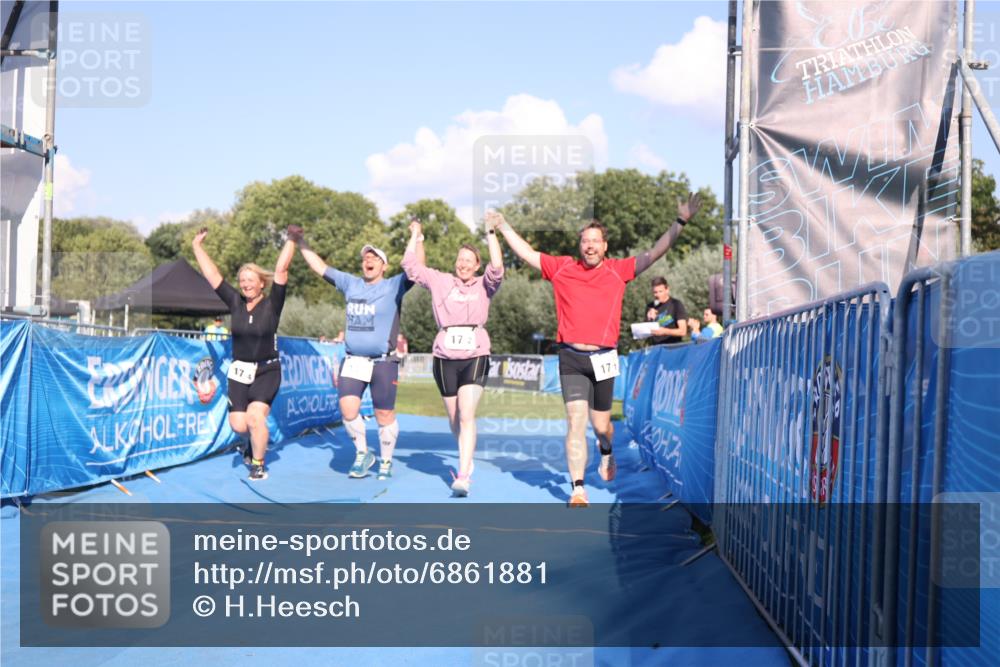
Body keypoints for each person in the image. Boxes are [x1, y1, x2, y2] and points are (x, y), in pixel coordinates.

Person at [493, 195, 701, 507]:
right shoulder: (562, 267)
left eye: (595, 241)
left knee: (601, 426)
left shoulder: (619, 270)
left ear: (605, 246)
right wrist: (503, 226)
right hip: (571, 357)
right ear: (580, 246)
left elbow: (655, 252)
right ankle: (577, 488)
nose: (590, 246)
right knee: (575, 420)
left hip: (604, 358)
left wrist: (681, 220)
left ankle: (606, 450)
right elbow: (527, 254)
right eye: (585, 241)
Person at [288, 224, 417, 481]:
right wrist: (300, 241)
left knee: (384, 414)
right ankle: (362, 453)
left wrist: (416, 236)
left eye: (374, 257)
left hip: (383, 361)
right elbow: (319, 267)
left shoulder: (394, 285)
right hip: (353, 360)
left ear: (384, 266)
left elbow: (415, 267)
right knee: (347, 410)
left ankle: (386, 460)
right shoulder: (350, 283)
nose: (368, 260)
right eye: (365, 257)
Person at [401, 218, 504, 497]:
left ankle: (463, 474)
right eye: (460, 259)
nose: (463, 264)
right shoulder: (441, 281)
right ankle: (466, 455)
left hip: (475, 354)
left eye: (469, 260)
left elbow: (497, 266)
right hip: (445, 356)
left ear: (477, 265)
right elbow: (410, 266)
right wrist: (416, 235)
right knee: (455, 417)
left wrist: (491, 232)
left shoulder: (485, 285)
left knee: (467, 414)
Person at [192, 227, 295, 481]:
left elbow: (281, 270)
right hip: (239, 371)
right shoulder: (235, 302)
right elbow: (212, 275)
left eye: (251, 280)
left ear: (261, 283)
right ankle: (251, 442)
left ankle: (258, 464)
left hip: (267, 370)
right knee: (239, 424)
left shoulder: (272, 304)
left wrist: (292, 240)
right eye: (242, 281)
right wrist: (197, 246)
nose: (246, 284)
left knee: (255, 417)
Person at [645, 277, 688, 345]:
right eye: (655, 292)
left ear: (667, 290)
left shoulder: (676, 304)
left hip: (673, 348)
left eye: (660, 291)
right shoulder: (650, 307)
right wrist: (649, 319)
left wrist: (665, 331)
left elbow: (683, 331)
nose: (658, 295)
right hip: (656, 348)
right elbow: (645, 333)